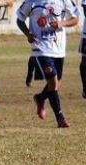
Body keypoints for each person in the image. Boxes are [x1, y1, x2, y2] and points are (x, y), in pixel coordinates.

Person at [16, 0, 80, 128]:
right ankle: (60, 118)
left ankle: (40, 98)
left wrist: (61, 23)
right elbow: (19, 19)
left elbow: (75, 19)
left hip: (58, 49)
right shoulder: (31, 2)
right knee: (53, 82)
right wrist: (28, 33)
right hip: (40, 48)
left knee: (56, 84)